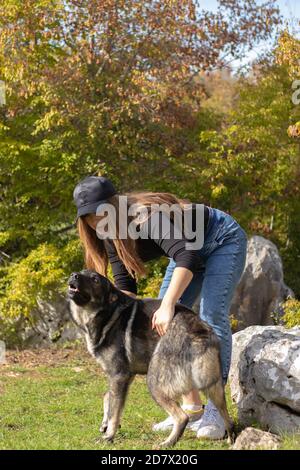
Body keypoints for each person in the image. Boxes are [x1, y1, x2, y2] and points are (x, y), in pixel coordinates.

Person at [73, 175, 247, 440]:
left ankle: (215, 410)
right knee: (159, 322)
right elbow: (126, 289)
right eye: (89, 217)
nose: (97, 221)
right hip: (188, 253)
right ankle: (192, 407)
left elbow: (186, 256)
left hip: (222, 239)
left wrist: (167, 306)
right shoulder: (109, 234)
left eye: (100, 212)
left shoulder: (144, 216)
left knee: (211, 316)